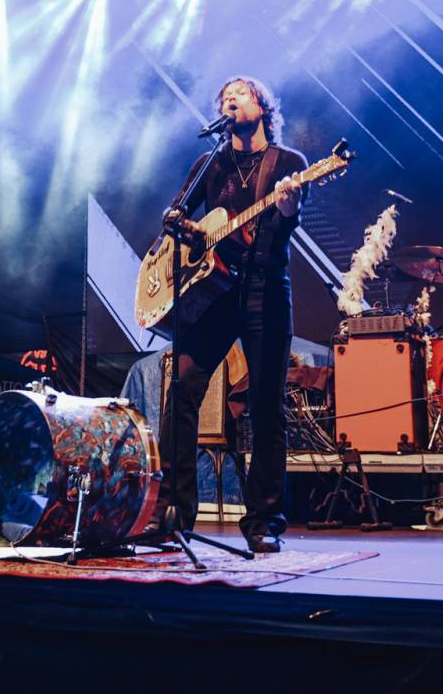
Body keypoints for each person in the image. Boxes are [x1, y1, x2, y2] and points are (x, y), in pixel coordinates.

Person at [158, 76, 305, 553]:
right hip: (213, 295)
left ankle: (264, 522)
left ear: (263, 107)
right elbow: (181, 219)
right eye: (224, 97)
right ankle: (172, 511)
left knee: (265, 408)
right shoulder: (210, 163)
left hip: (264, 290)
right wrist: (183, 229)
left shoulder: (288, 165)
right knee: (180, 390)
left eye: (239, 94)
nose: (230, 99)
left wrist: (285, 208)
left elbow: (282, 233)